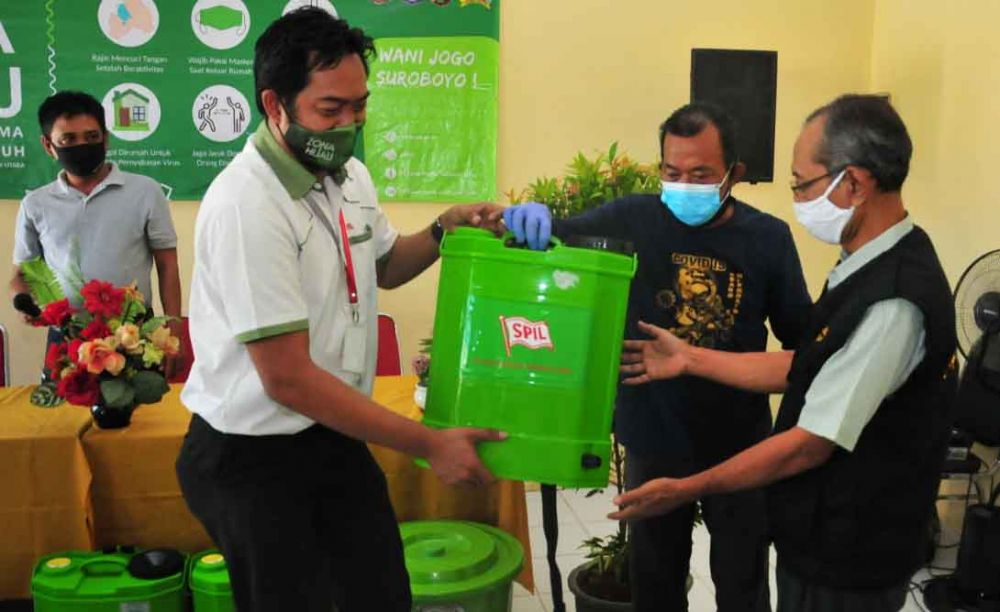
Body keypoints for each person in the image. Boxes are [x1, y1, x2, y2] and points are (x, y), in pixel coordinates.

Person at [175, 9, 506, 612]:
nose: (351, 123)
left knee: (379, 592)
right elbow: (287, 378)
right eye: (332, 110)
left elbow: (385, 264)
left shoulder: (348, 175)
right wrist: (428, 443)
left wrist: (444, 228)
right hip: (252, 454)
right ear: (275, 105)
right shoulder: (248, 204)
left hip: (331, 433)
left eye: (360, 106)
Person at [615, 94, 957, 612]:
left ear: (854, 183)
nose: (797, 197)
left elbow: (807, 445)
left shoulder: (893, 300)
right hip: (811, 526)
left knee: (742, 580)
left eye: (802, 183)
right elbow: (810, 364)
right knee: (655, 577)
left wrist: (688, 488)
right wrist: (690, 358)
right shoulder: (863, 267)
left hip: (850, 547)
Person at [505, 103, 812, 611]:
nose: (684, 185)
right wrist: (526, 220)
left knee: (743, 581)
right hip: (653, 436)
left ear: (733, 175)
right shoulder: (632, 217)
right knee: (655, 580)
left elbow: (801, 344)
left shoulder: (768, 239)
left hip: (739, 443)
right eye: (672, 173)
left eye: (700, 175)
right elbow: (557, 233)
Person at [10, 90, 183, 377]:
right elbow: (22, 274)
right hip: (67, 338)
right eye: (68, 140)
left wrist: (173, 329)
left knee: (144, 420)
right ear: (48, 145)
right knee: (62, 421)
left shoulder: (145, 191)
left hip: (135, 336)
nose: (82, 146)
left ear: (106, 138)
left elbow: (167, 265)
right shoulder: (35, 204)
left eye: (91, 137)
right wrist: (22, 300)